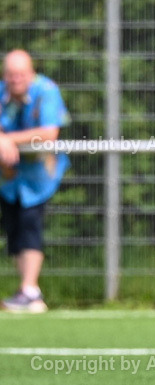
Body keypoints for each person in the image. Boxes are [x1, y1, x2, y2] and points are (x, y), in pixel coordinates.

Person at [0, 50, 70, 313]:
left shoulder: (46, 90)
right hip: (8, 178)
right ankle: (27, 292)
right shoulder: (1, 91)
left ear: (31, 73)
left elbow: (49, 133)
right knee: (14, 227)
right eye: (10, 75)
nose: (15, 79)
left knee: (30, 222)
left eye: (20, 75)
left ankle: (30, 289)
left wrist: (7, 139)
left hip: (39, 175)